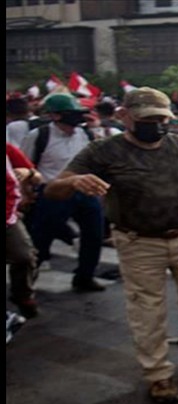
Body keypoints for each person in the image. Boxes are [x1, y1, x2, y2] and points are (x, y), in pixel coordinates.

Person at [43, 87, 178, 404]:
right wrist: (73, 182)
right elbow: (53, 189)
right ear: (125, 117)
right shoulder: (103, 151)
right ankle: (158, 374)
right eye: (147, 119)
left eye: (162, 119)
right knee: (147, 311)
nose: (156, 125)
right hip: (139, 242)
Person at [20, 93, 106, 292]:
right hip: (53, 192)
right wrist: (26, 193)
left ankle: (85, 276)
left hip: (84, 190)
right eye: (72, 113)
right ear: (56, 116)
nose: (78, 117)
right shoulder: (40, 136)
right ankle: (25, 284)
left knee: (94, 234)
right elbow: (25, 167)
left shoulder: (86, 134)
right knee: (42, 238)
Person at [6, 143, 42, 319]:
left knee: (25, 256)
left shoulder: (8, 150)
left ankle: (22, 295)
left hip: (8, 216)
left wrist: (29, 173)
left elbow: (37, 177)